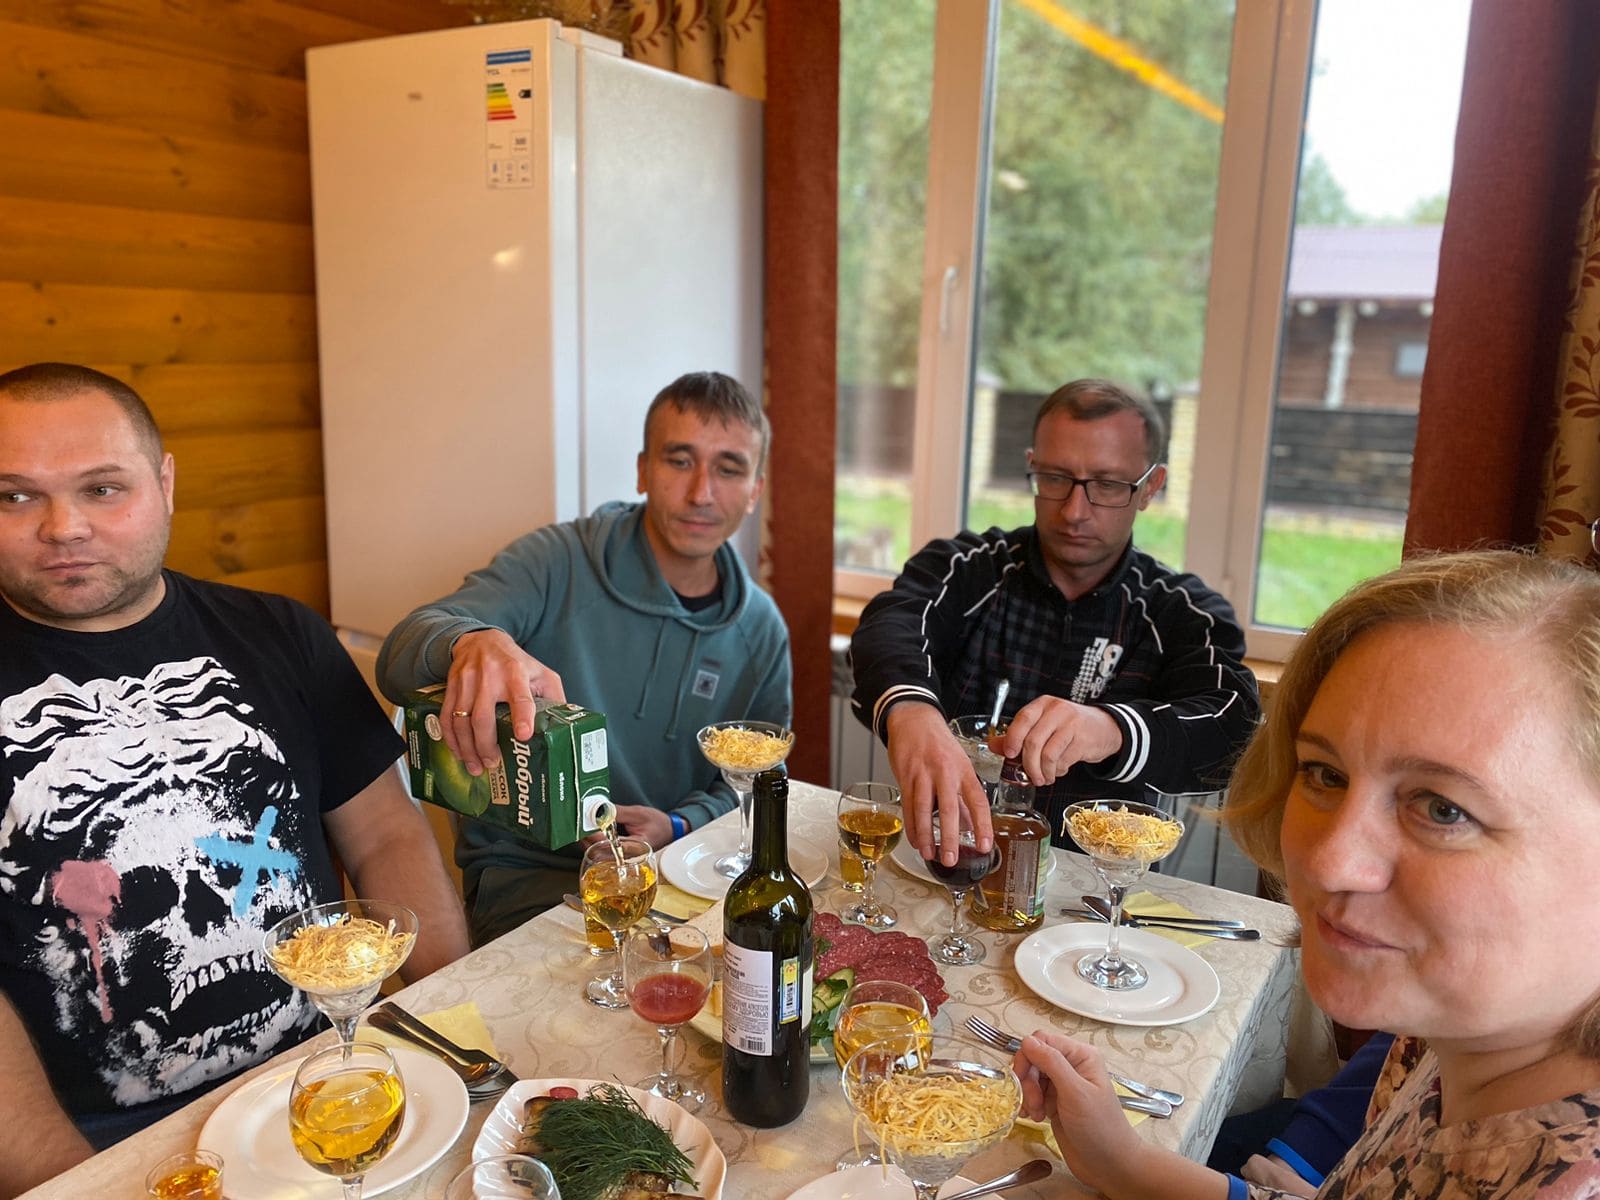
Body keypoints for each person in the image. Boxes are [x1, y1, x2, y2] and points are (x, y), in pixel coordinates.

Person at [0, 363, 470, 1193]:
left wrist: (449, 1018)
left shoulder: (283, 632)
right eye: (15, 496)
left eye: (103, 489)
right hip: (107, 1137)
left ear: (165, 483)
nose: (63, 527)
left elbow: (384, 833)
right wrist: (71, 1182)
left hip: (336, 1065)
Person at [1014, 549, 1600, 1199]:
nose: (1326, 862)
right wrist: (1121, 1162)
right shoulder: (1449, 1038)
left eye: (1443, 809)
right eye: (1325, 774)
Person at [377, 371, 791, 945]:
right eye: (679, 461)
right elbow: (398, 654)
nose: (701, 493)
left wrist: (678, 823)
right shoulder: (556, 562)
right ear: (642, 470)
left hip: (675, 876)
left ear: (754, 489)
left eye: (728, 469)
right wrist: (471, 640)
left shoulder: (761, 629)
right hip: (531, 884)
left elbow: (762, 780)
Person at [849, 378, 1258, 863]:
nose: (1074, 511)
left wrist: (1110, 728)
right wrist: (911, 711)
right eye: (1056, 478)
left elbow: (1231, 722)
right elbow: (891, 626)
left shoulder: (1181, 611)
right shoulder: (966, 568)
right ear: (1032, 466)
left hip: (1095, 884)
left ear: (1150, 487)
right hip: (947, 860)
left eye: (1107, 485)